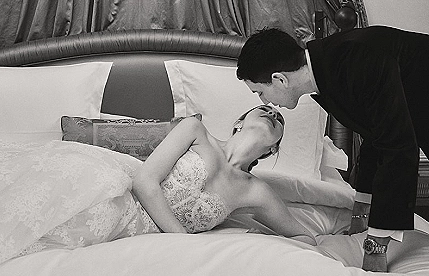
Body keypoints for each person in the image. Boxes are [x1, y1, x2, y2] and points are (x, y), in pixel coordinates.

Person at [236, 25, 429, 273]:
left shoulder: (356, 57)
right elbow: (375, 137)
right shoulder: (326, 73)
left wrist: (375, 248)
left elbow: (397, 148)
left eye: (260, 91)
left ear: (280, 79)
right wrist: (360, 212)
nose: (265, 102)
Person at [132, 105, 317, 245]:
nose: (273, 114)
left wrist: (257, 245)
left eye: (279, 120)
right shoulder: (194, 130)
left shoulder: (257, 192)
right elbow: (143, 181)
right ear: (239, 124)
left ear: (273, 147)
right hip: (128, 212)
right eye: (265, 109)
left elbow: (305, 238)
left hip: (164, 247)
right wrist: (182, 240)